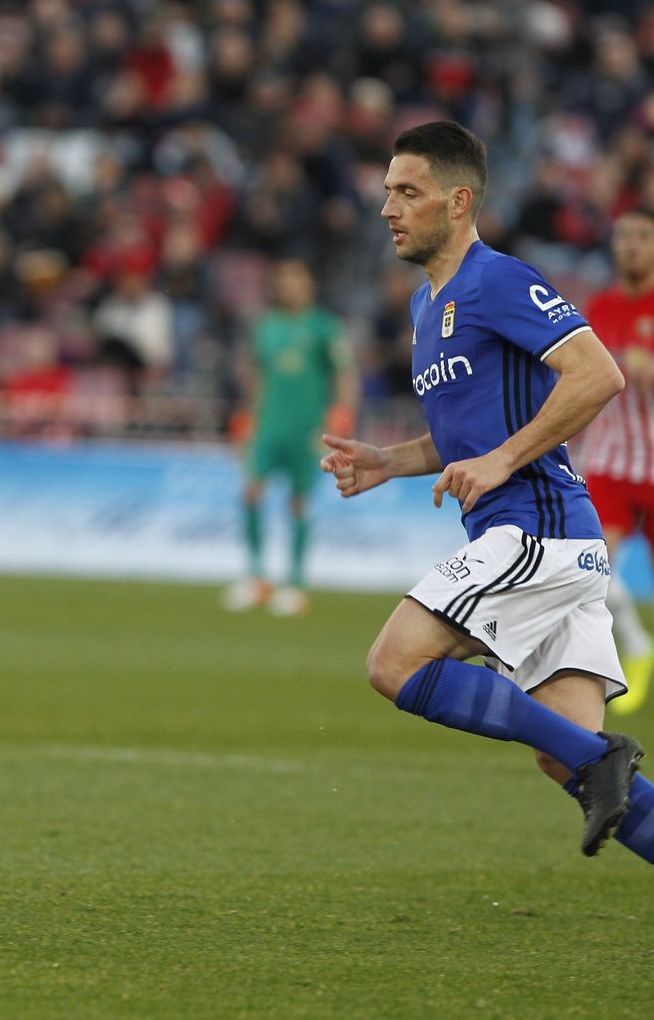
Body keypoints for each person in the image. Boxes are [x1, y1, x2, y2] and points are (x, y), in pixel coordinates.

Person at [321, 120, 653, 863]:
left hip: (534, 532)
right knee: (564, 754)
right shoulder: (422, 310)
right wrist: (386, 459)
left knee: (393, 663)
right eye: (386, 192)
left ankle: (603, 758)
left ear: (459, 201)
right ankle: (597, 760)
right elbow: (465, 436)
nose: (388, 208)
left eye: (409, 191)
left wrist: (505, 459)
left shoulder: (496, 278)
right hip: (559, 546)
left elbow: (598, 374)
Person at [223, 258, 358, 616]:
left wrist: (341, 418)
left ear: (308, 284)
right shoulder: (266, 326)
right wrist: (247, 418)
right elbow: (258, 377)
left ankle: (296, 582)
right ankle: (256, 577)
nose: (288, 287)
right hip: (268, 426)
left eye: (295, 280)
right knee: (251, 492)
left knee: (298, 501)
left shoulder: (325, 327)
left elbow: (344, 375)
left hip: (307, 429)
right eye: (283, 281)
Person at [578, 208, 654, 716]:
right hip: (607, 458)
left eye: (641, 237)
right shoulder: (598, 306)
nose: (629, 245)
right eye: (622, 235)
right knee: (591, 564)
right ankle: (637, 645)